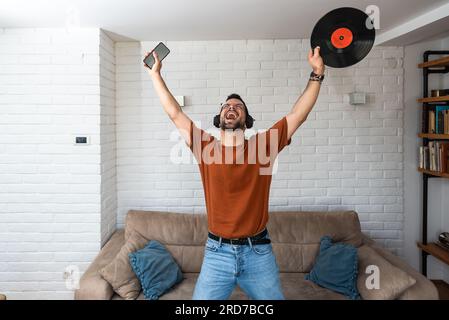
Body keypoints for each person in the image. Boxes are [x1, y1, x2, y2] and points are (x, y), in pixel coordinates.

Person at [144, 46, 324, 300]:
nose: (231, 107)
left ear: (246, 119)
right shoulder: (204, 146)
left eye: (238, 106)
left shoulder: (263, 146)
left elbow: (298, 115)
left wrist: (317, 73)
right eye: (226, 105)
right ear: (219, 117)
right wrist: (155, 75)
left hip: (258, 252)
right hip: (217, 253)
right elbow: (175, 113)